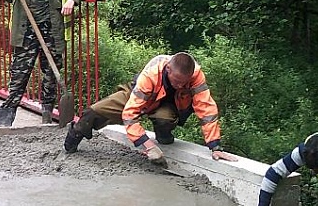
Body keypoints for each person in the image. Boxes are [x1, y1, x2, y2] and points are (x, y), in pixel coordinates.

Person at [64, 52, 238, 166]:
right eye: (176, 81)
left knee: (165, 118)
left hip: (168, 105)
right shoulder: (151, 74)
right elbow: (130, 114)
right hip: (139, 95)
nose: (180, 85)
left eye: (184, 83)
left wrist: (215, 146)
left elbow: (206, 109)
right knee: (94, 111)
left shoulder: (196, 76)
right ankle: (75, 134)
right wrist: (147, 145)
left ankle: (164, 137)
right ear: (168, 69)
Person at [0, 0, 93, 127]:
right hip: (25, 30)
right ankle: (6, 118)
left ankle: (47, 116)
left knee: (51, 74)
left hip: (52, 30)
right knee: (19, 74)